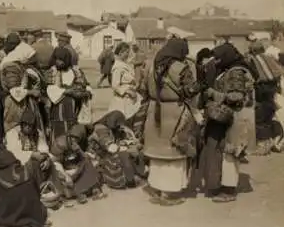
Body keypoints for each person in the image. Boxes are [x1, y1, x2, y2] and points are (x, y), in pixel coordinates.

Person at [141, 38, 203, 206]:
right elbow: (190, 92)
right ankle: (169, 194)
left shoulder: (150, 65)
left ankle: (157, 188)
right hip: (175, 112)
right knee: (173, 153)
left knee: (158, 153)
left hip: (155, 111)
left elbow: (143, 89)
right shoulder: (182, 68)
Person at [200, 43, 256, 203]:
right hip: (235, 116)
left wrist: (214, 94)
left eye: (218, 58)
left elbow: (236, 96)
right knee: (228, 152)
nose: (215, 61)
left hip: (237, 117)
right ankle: (225, 186)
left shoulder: (236, 71)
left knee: (230, 153)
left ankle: (229, 190)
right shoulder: (232, 68)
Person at [89, 111, 147, 189]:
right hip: (99, 157)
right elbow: (111, 148)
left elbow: (123, 138)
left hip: (108, 154)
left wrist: (129, 142)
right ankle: (126, 180)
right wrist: (125, 147)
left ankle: (136, 174)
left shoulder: (114, 128)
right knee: (125, 154)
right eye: (118, 123)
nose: (119, 126)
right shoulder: (100, 128)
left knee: (135, 150)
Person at [50, 124, 106, 204]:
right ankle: (80, 192)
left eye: (77, 138)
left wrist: (79, 151)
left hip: (78, 169)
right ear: (69, 135)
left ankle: (91, 190)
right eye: (72, 137)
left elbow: (85, 158)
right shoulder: (60, 142)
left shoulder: (81, 143)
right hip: (66, 171)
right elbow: (55, 162)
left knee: (89, 163)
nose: (74, 140)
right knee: (61, 178)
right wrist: (65, 174)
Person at [46, 47, 92, 140]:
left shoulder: (76, 71)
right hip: (58, 108)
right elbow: (49, 89)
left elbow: (86, 86)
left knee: (75, 130)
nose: (58, 62)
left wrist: (85, 92)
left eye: (61, 59)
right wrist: (66, 91)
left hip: (75, 107)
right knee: (60, 130)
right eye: (57, 59)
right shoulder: (52, 72)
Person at [245, 40, 282, 155]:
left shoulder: (252, 61)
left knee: (260, 120)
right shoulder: (270, 59)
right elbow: (278, 75)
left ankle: (263, 147)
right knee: (268, 118)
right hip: (271, 93)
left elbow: (250, 78)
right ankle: (271, 143)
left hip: (261, 94)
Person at [108, 42, 142, 120]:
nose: (128, 54)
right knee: (123, 122)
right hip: (122, 101)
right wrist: (128, 92)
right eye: (127, 52)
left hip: (129, 99)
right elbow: (115, 85)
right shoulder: (118, 67)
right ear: (121, 53)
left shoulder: (124, 64)